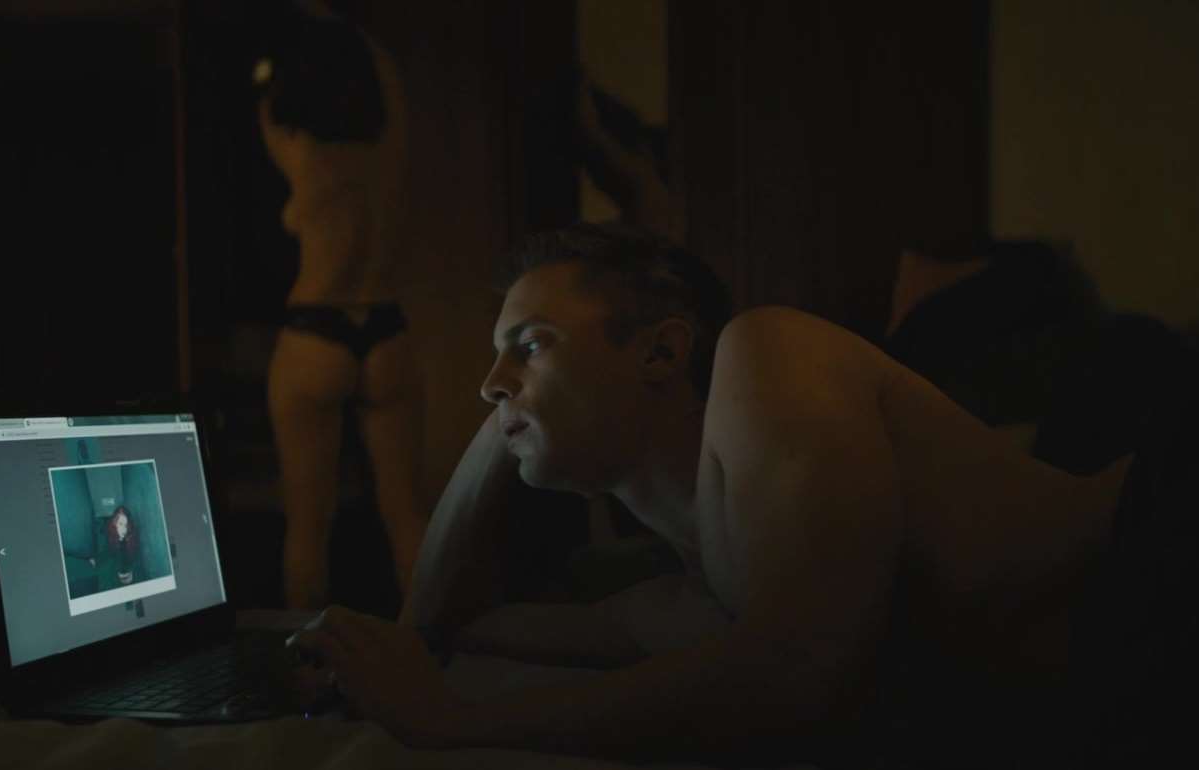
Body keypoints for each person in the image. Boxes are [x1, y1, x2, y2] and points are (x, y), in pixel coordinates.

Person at [285, 222, 1162, 767]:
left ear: (663, 354)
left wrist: (452, 723)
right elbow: (445, 623)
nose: (488, 382)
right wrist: (511, 401)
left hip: (1159, 559)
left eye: (532, 343)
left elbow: (799, 672)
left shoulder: (767, 353)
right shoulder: (692, 600)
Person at [252, 5, 426, 609]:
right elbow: (381, 69)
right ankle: (431, 651)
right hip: (385, 327)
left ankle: (305, 659)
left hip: (316, 329)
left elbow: (269, 93)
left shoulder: (294, 141)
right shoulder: (390, 134)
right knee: (407, 515)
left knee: (308, 526)